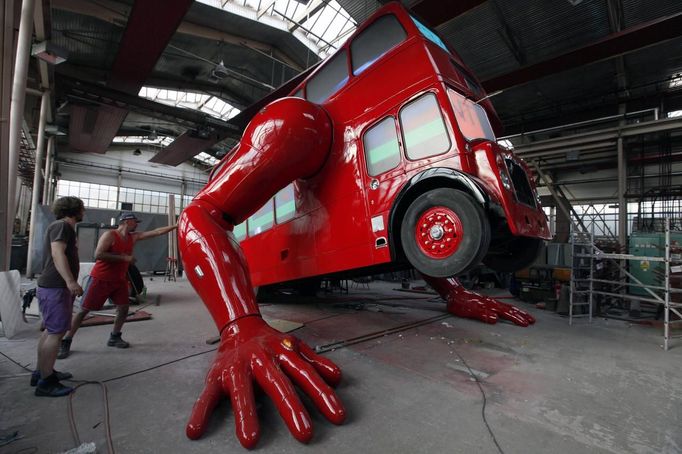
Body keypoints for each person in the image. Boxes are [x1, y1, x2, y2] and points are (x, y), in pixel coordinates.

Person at [57, 212, 177, 358]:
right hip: (100, 279)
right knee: (84, 310)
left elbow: (156, 232)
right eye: (135, 221)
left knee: (124, 308)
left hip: (119, 279)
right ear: (126, 221)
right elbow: (98, 254)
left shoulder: (133, 236)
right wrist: (125, 258)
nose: (137, 224)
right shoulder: (110, 235)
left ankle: (114, 336)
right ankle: (66, 340)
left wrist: (177, 225)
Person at [34, 196, 85, 397]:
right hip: (56, 286)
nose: (84, 211)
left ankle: (42, 371)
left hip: (53, 286)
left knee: (50, 331)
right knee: (55, 333)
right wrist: (70, 282)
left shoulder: (62, 227)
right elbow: (57, 254)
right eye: (82, 208)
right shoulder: (63, 226)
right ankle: (46, 382)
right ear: (74, 210)